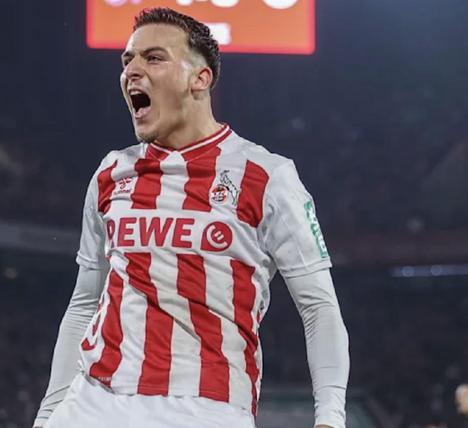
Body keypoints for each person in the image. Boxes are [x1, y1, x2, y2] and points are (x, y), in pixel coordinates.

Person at [34, 7, 349, 428]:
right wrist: (49, 413)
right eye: (128, 60)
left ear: (200, 79)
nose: (132, 71)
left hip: (206, 407)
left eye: (154, 58)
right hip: (94, 400)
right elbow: (84, 303)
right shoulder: (112, 173)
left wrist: (330, 417)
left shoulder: (266, 176)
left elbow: (318, 307)